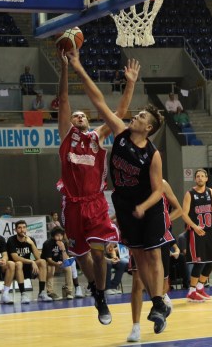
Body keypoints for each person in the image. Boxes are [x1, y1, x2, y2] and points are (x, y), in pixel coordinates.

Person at [65, 48, 173, 334]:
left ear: (148, 128)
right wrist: (78, 67)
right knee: (137, 257)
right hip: (124, 205)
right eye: (137, 114)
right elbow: (99, 101)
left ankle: (159, 302)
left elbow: (158, 190)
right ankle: (157, 302)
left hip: (148, 205)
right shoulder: (121, 135)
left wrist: (144, 207)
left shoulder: (153, 154)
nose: (135, 116)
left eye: (141, 116)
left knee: (153, 254)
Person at [57, 51, 139, 325]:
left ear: (88, 121)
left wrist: (130, 84)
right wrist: (65, 68)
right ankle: (95, 289)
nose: (79, 116)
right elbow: (64, 99)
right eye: (75, 115)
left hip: (95, 202)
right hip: (72, 204)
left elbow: (120, 113)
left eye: (83, 115)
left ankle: (101, 296)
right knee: (81, 256)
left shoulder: (97, 136)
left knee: (98, 251)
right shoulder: (66, 136)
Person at [127, 178, 183, 343]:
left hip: (159, 236)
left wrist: (163, 222)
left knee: (162, 284)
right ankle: (136, 326)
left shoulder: (162, 184)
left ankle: (161, 306)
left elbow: (179, 209)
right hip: (138, 236)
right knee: (137, 283)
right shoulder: (130, 183)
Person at [180, 168, 212, 302]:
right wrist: (194, 226)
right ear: (195, 179)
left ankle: (200, 287)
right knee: (199, 262)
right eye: (197, 176)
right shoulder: (190, 194)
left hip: (209, 231)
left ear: (206, 178)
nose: (200, 178)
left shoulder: (210, 192)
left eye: (202, 176)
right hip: (195, 232)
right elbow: (184, 214)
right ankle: (191, 291)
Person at [6, 219, 52, 303]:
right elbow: (15, 257)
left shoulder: (30, 239)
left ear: (26, 229)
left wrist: (31, 243)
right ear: (15, 230)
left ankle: (41, 292)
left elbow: (38, 257)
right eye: (19, 228)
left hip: (28, 267)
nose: (22, 230)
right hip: (15, 268)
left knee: (42, 262)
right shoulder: (11, 240)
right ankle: (23, 294)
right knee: (19, 263)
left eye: (24, 227)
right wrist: (31, 261)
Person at [41, 226, 75, 300]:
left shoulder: (64, 243)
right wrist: (56, 264)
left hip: (59, 264)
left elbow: (66, 260)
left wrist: (63, 249)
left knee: (68, 267)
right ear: (53, 236)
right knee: (51, 267)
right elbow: (49, 260)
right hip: (47, 265)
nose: (59, 237)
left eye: (61, 235)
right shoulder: (47, 243)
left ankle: (68, 291)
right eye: (57, 235)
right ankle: (50, 292)